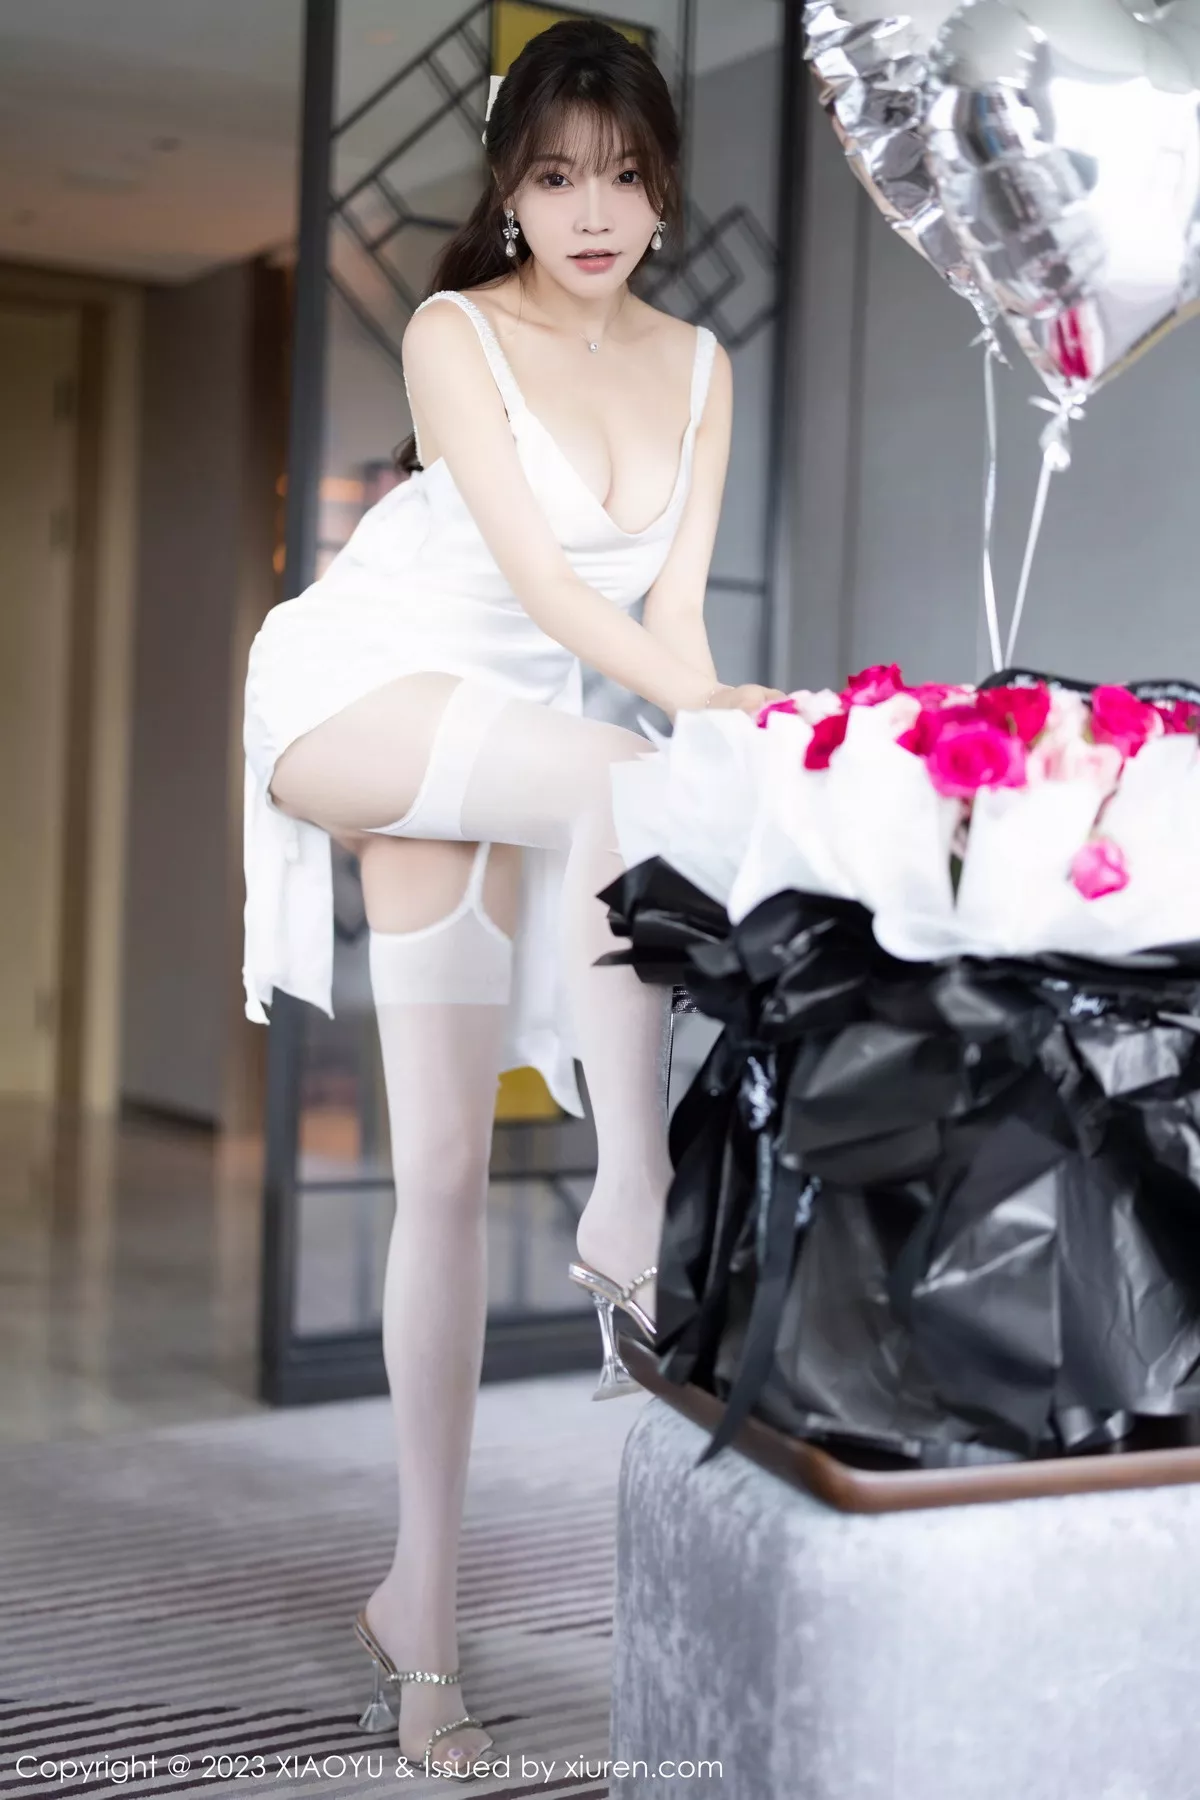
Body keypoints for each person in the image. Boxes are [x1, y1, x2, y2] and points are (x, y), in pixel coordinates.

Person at [241, 17, 785, 1780]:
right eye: (556, 178)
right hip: (366, 695)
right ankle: (635, 1200)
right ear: (510, 191)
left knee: (449, 1179)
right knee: (624, 772)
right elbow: (557, 596)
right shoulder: (453, 331)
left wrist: (717, 708)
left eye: (622, 175)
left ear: (662, 183)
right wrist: (703, 723)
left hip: (513, 748)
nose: (592, 211)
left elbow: (668, 616)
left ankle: (420, 1621)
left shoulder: (699, 366)